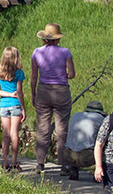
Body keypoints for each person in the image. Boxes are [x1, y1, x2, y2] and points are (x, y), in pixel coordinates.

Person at [29, 23, 75, 174]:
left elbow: (34, 75)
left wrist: (33, 93)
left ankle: (40, 162)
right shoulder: (65, 52)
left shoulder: (37, 52)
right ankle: (63, 164)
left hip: (43, 89)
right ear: (58, 39)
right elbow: (72, 74)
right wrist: (63, 76)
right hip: (61, 90)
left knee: (43, 128)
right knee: (62, 130)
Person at [62, 98, 106, 180]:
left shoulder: (76, 115)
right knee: (103, 146)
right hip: (86, 157)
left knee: (75, 143)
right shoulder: (100, 118)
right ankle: (98, 175)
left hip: (68, 155)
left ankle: (72, 169)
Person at [0, 46, 27, 172]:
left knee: (5, 135)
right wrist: (23, 109)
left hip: (3, 105)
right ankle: (14, 161)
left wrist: (7, 94)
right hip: (15, 104)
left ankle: (5, 162)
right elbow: (19, 92)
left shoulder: (0, 72)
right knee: (14, 134)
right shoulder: (19, 73)